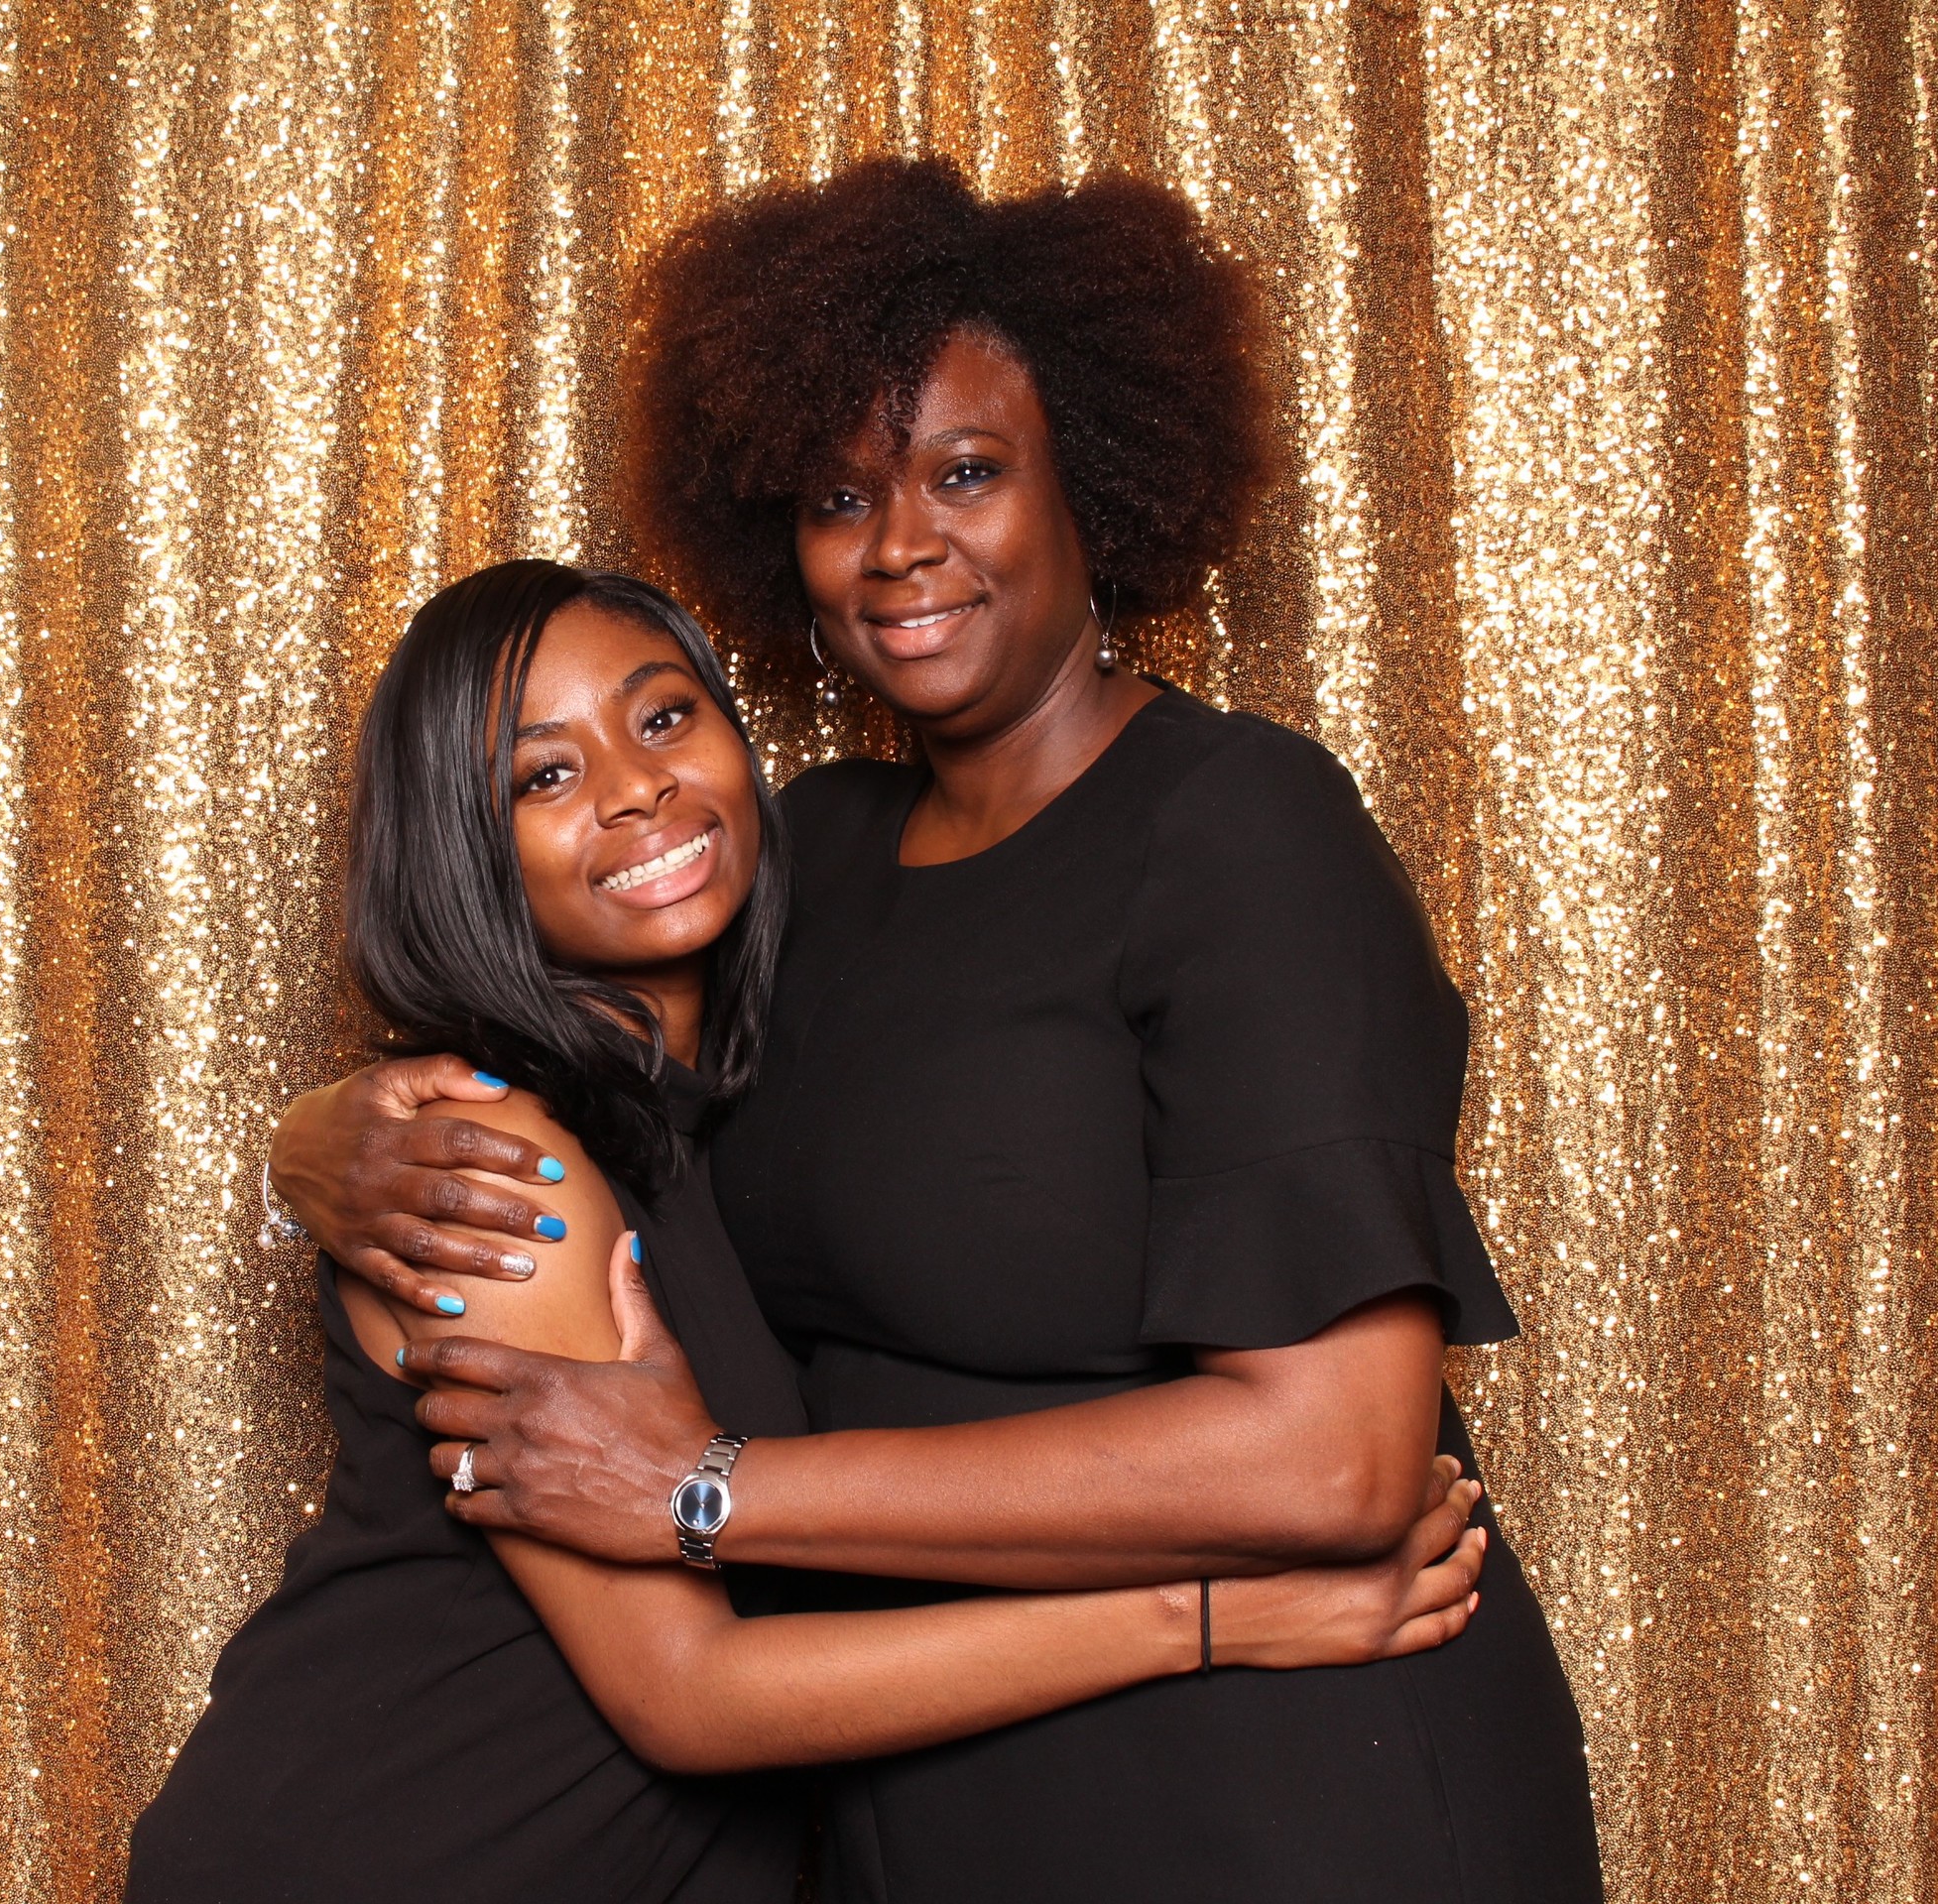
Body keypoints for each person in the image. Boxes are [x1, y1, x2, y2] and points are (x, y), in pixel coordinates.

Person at [271, 163, 1605, 1902]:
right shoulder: (805, 863)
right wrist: (323, 1140)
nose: (901, 545)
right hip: (933, 1799)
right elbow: (572, 1030)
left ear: (1091, 483)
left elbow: (1338, 1460)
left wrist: (711, 1491)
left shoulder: (1244, 832)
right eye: (843, 496)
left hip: (1284, 1768)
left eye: (967, 471)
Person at [128, 559, 1491, 1903]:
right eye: (542, 776)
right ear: (459, 851)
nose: (636, 787)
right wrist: (1214, 1615)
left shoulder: (731, 1096)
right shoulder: (491, 1176)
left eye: (665, 716)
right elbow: (690, 1696)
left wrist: (299, 1138)